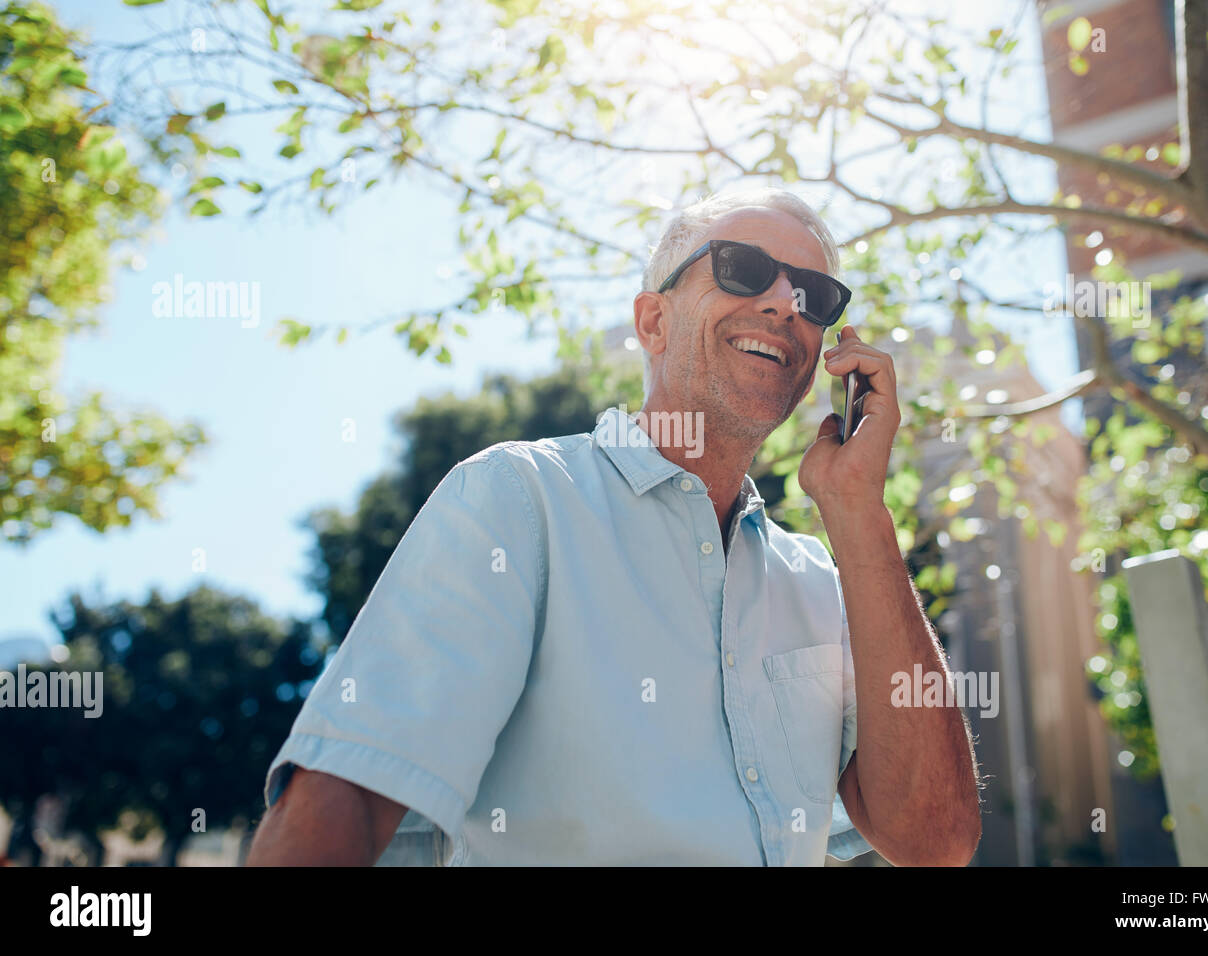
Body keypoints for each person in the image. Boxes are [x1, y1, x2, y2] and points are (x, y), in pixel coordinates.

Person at [246, 187, 982, 866]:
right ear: (653, 322)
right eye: (743, 268)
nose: (784, 304)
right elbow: (348, 792)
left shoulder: (824, 579)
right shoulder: (518, 499)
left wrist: (859, 514)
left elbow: (935, 838)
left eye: (813, 293)